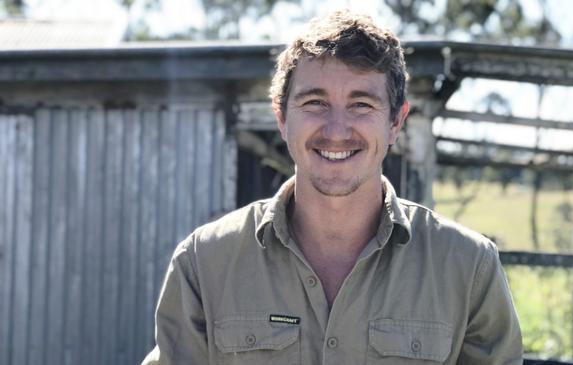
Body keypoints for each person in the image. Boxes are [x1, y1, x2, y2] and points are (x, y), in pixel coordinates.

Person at [142, 10, 523, 365]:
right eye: (314, 102)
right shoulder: (204, 263)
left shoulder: (468, 267)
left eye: (361, 105)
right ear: (282, 117)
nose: (336, 131)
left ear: (395, 122)